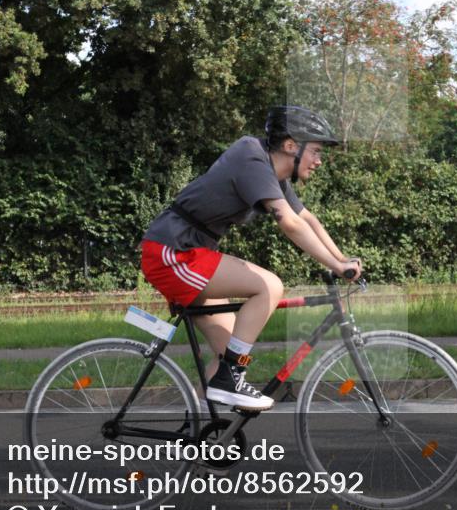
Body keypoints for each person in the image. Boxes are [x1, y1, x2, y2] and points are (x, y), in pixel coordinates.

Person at [140, 105, 362, 411]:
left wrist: (343, 260)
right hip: (173, 253)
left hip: (191, 252)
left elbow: (306, 218)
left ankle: (200, 434)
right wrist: (336, 266)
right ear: (290, 146)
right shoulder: (252, 159)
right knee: (269, 286)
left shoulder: (273, 172)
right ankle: (230, 381)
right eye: (315, 151)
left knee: (231, 349)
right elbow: (289, 222)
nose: (319, 161)